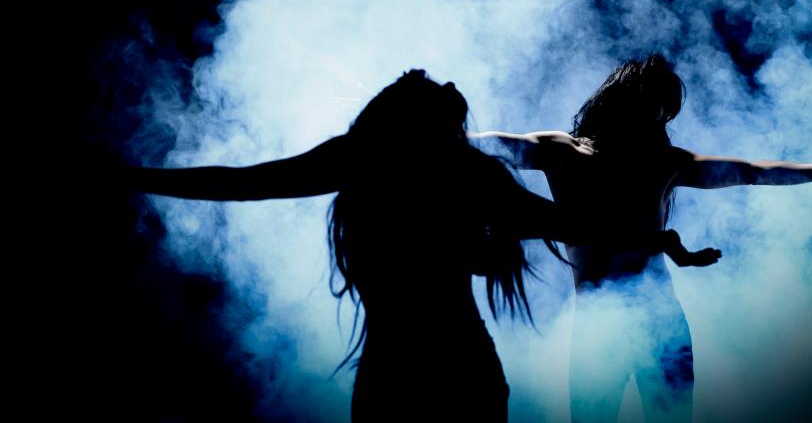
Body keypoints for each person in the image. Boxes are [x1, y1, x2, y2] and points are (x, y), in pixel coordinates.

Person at [128, 68, 717, 422]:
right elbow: (567, 225)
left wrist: (135, 178)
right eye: (440, 96)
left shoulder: (401, 163)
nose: (452, 93)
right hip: (443, 372)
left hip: (418, 374)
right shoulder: (448, 169)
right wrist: (658, 240)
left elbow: (245, 182)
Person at [472, 54, 812, 423]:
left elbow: (751, 171)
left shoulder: (665, 163)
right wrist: (439, 128)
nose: (659, 121)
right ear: (625, 101)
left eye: (665, 113)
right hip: (597, 326)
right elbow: (486, 147)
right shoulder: (562, 152)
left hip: (662, 321)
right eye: (655, 107)